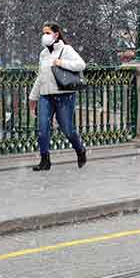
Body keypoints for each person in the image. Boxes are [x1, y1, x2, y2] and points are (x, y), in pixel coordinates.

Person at [29, 22, 87, 171]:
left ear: (56, 34)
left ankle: (80, 150)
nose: (45, 36)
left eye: (47, 33)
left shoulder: (66, 49)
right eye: (44, 33)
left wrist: (61, 62)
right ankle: (45, 160)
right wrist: (33, 97)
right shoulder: (43, 54)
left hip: (64, 95)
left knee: (67, 129)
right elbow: (41, 77)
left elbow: (81, 65)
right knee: (42, 128)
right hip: (45, 96)